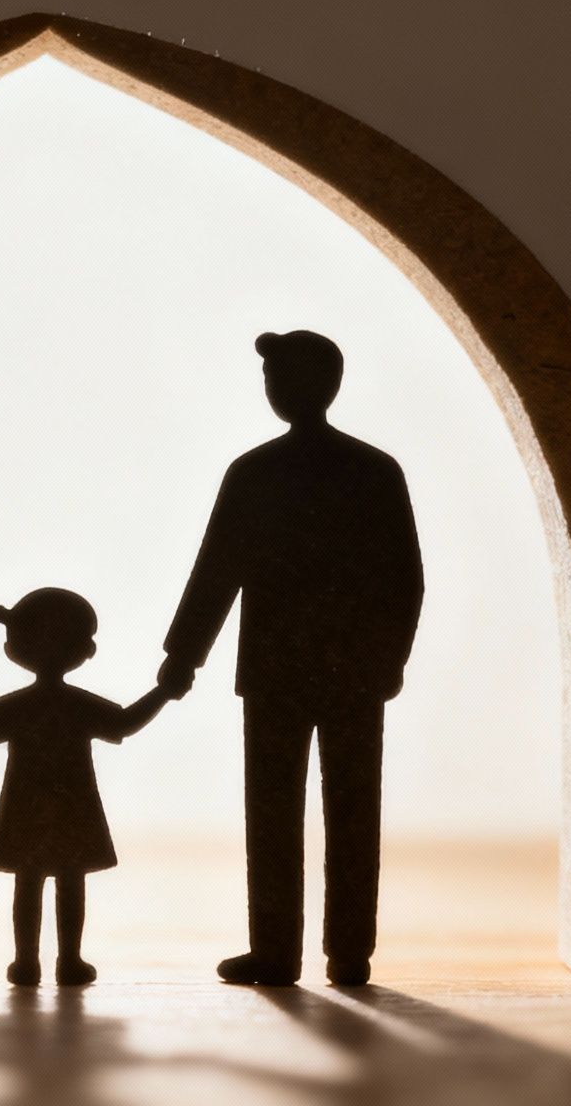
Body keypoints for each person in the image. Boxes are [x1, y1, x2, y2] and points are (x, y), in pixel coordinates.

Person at [158, 330, 424, 987]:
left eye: (279, 379)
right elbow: (405, 579)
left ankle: (285, 950)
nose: (275, 391)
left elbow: (218, 572)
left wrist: (185, 655)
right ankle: (345, 951)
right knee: (349, 811)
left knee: (280, 813)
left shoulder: (258, 471)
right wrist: (388, 659)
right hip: (348, 670)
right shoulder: (372, 469)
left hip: (285, 669)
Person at [0, 588, 174, 986]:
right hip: (73, 804)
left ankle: (28, 962)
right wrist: (164, 692)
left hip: (26, 805)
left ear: (12, 647)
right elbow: (124, 723)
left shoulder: (22, 706)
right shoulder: (76, 704)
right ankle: (67, 961)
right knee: (69, 880)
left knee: (30, 880)